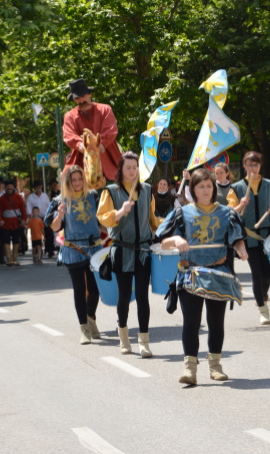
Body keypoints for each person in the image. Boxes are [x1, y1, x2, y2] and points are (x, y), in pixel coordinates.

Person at [157, 168, 249, 385]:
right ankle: (190, 369)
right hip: (190, 274)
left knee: (216, 322)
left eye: (209, 186)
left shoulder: (227, 213)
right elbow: (162, 241)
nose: (206, 190)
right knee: (191, 322)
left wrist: (241, 248)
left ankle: (215, 365)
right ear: (193, 189)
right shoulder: (182, 214)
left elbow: (237, 238)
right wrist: (176, 241)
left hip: (218, 273)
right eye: (201, 186)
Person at [98, 151, 161, 357]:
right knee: (124, 296)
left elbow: (152, 221)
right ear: (121, 169)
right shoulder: (111, 192)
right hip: (122, 250)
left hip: (143, 251)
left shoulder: (147, 190)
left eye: (135, 167)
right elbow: (104, 219)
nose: (132, 171)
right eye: (128, 167)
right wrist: (120, 211)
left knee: (143, 297)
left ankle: (144, 341)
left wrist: (169, 226)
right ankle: (124, 337)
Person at [46, 165, 104, 344]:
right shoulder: (60, 200)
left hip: (94, 249)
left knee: (95, 290)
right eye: (74, 180)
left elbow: (103, 221)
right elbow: (54, 227)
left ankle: (91, 317)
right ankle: (84, 329)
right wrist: (59, 215)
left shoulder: (94, 196)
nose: (78, 183)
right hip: (73, 250)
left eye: (80, 179)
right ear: (68, 182)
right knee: (80, 290)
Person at [227, 152, 270, 325]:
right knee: (257, 273)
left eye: (256, 165)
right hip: (249, 237)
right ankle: (263, 310)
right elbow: (231, 212)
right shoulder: (237, 188)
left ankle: (262, 295)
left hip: (267, 235)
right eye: (250, 165)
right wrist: (241, 205)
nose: (253, 168)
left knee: (267, 274)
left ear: (260, 166)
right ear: (244, 166)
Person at [63, 78, 122, 182]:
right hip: (82, 163)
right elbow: (68, 135)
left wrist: (101, 144)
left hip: (107, 160)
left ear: (89, 94)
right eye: (77, 98)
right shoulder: (69, 116)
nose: (81, 100)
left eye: (83, 96)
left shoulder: (105, 109)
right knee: (67, 181)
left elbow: (111, 129)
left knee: (125, 176)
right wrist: (81, 144)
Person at [0, 180, 26, 267]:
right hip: (5, 223)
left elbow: (23, 209)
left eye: (11, 186)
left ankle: (15, 259)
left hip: (16, 222)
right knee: (6, 241)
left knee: (16, 240)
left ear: (13, 187)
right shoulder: (1, 198)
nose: (9, 188)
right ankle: (9, 259)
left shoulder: (18, 197)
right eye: (8, 186)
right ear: (5, 188)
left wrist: (24, 219)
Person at [26, 181, 54, 258]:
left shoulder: (45, 195)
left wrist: (50, 215)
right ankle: (38, 252)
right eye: (36, 187)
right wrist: (30, 216)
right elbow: (28, 208)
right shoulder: (31, 197)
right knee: (37, 235)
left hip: (45, 217)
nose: (38, 189)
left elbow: (49, 206)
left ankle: (50, 250)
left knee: (49, 233)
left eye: (39, 187)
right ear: (34, 188)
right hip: (36, 219)